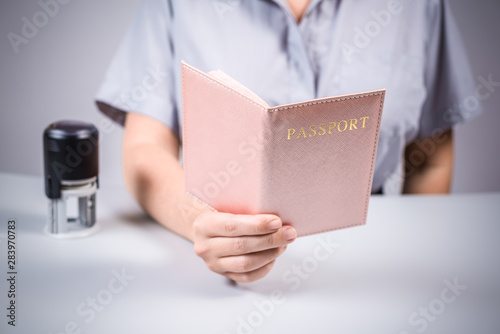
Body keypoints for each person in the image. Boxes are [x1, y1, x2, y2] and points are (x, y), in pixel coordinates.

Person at [95, 0, 481, 283]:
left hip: (370, 268)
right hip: (217, 258)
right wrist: (202, 223)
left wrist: (421, 277)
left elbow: (430, 155)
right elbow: (144, 148)